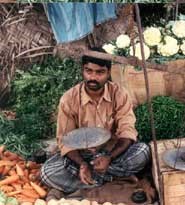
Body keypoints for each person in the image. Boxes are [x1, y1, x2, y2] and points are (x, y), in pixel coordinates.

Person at [41, 48, 150, 194]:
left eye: (99, 72)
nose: (93, 77)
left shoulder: (119, 94)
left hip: (112, 153)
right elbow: (64, 140)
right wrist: (82, 164)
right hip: (82, 156)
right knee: (47, 173)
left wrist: (109, 158)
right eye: (89, 71)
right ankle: (112, 179)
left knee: (143, 152)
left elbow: (127, 131)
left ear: (108, 73)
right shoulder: (69, 99)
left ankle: (93, 181)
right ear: (82, 70)